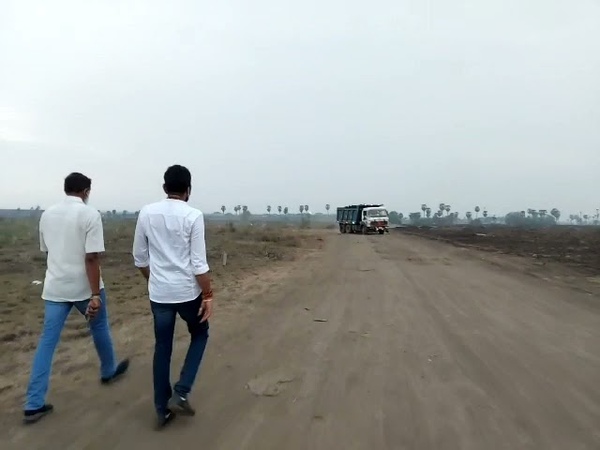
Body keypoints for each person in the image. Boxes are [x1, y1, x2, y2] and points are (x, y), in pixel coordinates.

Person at [23, 172, 129, 424]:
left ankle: (33, 403)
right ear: (86, 191)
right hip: (84, 287)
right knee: (99, 326)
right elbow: (91, 257)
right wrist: (94, 294)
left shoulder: (47, 215)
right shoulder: (90, 215)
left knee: (47, 342)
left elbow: (48, 250)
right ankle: (108, 371)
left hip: (55, 288)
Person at [132, 164, 213, 429]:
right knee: (200, 334)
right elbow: (198, 263)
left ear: (165, 188)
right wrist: (208, 294)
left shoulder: (146, 213)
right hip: (188, 292)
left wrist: (153, 279)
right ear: (188, 190)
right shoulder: (193, 216)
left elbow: (139, 258)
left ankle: (161, 410)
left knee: (162, 348)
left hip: (160, 294)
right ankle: (181, 391)